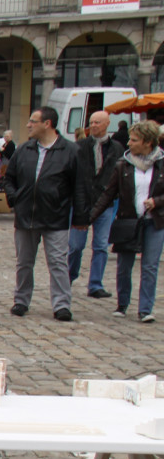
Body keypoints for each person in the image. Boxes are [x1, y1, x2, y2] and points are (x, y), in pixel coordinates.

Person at [3, 106, 86, 322]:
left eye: (33, 121)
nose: (28, 125)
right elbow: (9, 178)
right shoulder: (24, 149)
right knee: (24, 262)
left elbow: (79, 185)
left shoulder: (70, 151)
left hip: (55, 216)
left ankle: (61, 305)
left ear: (47, 123)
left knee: (58, 262)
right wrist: (15, 198)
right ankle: (21, 300)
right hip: (25, 216)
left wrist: (80, 216)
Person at [88, 120, 164, 323]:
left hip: (154, 222)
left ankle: (145, 309)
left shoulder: (161, 163)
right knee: (124, 266)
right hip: (128, 221)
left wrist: (156, 201)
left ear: (148, 142)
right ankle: (122, 304)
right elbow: (108, 194)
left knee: (149, 266)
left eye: (134, 139)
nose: (129, 143)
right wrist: (90, 217)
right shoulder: (123, 164)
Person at [69, 110, 125, 299]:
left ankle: (95, 284)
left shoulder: (117, 148)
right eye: (91, 122)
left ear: (107, 124)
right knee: (75, 246)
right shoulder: (79, 146)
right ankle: (68, 277)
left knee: (101, 245)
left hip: (106, 203)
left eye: (97, 122)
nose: (93, 126)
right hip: (81, 202)